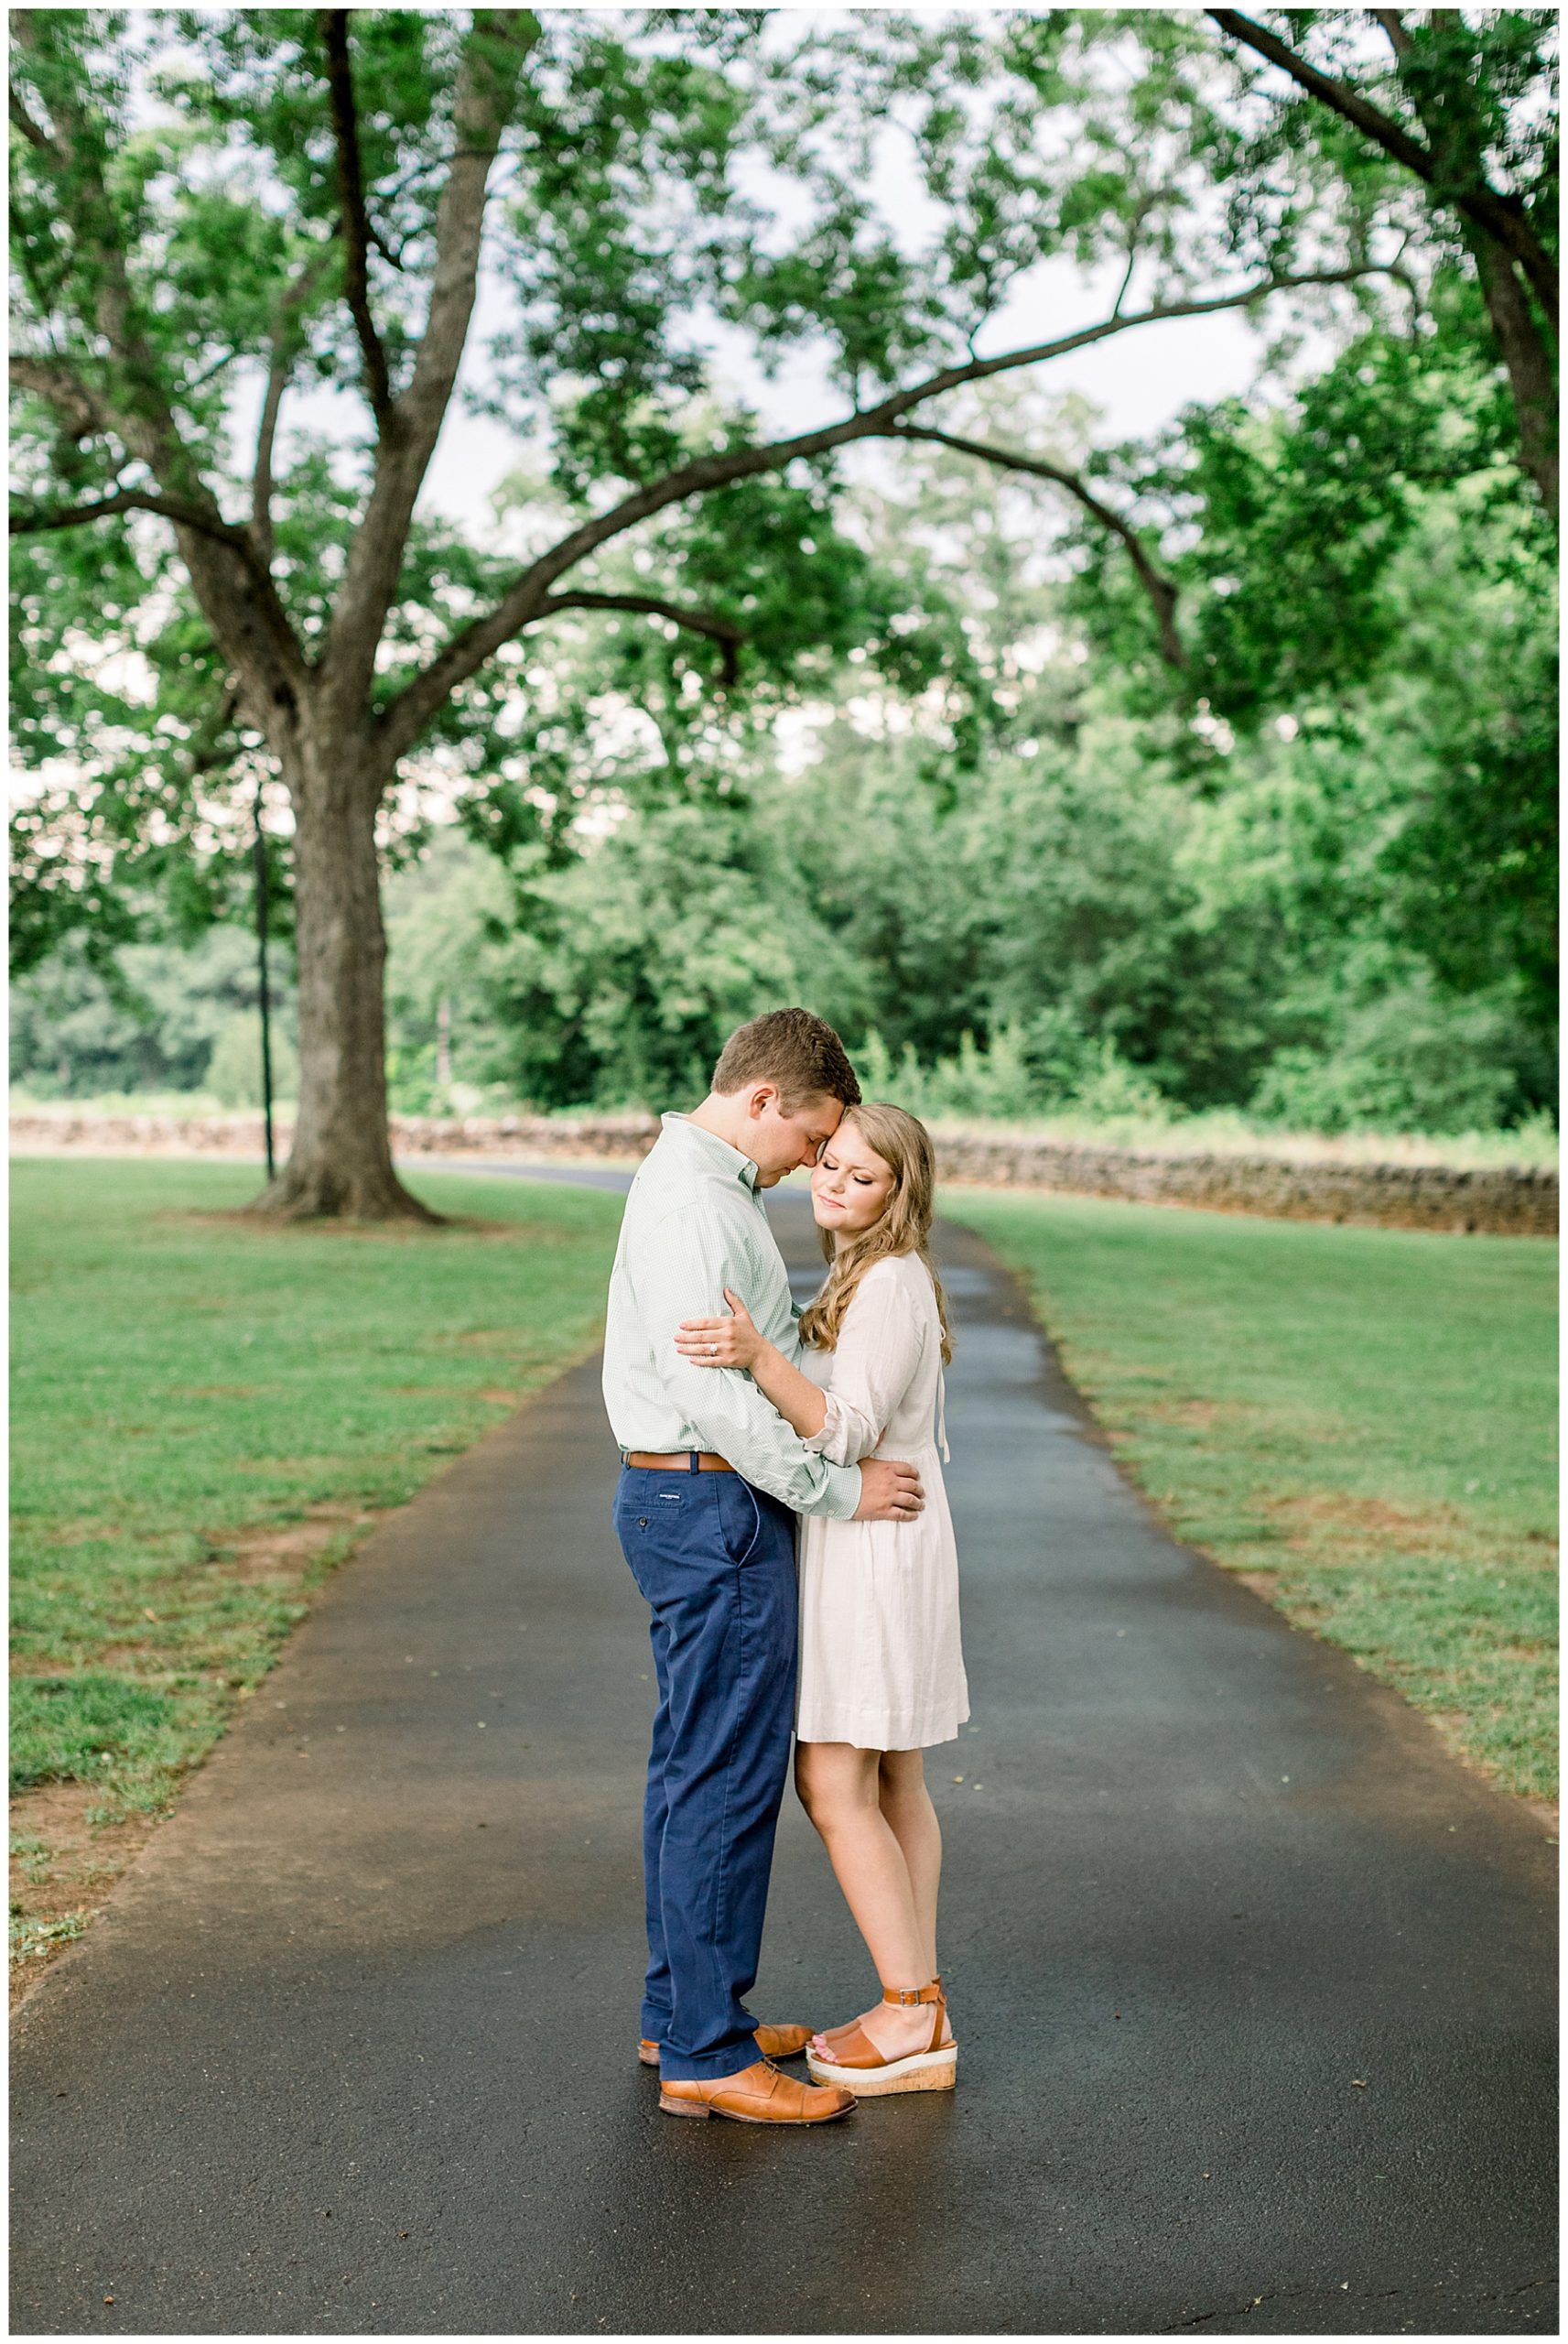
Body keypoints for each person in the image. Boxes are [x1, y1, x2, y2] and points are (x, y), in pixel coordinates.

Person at [602, 1010, 926, 2127]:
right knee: (726, 1780)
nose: (811, 1163)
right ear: (764, 1102)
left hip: (692, 1497)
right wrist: (836, 1490)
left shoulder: (708, 1190)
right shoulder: (697, 1200)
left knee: (692, 1764)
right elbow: (711, 1393)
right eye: (813, 1137)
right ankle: (704, 2050)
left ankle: (684, 2012)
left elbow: (762, 1360)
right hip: (706, 1499)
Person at [676, 1102, 966, 2098]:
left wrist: (756, 1355)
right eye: (830, 1165)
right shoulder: (869, 1276)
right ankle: (919, 2001)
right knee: (892, 1784)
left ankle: (908, 2005)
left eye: (863, 1176)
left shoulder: (889, 1283)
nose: (835, 1183)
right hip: (876, 1542)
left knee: (833, 1782)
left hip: (875, 1554)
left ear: (901, 1194)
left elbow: (842, 1433)